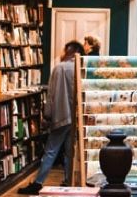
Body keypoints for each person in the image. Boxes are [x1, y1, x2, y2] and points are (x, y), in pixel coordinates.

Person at [18, 41, 85, 195]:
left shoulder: (60, 68)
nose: (61, 53)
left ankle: (38, 183)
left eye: (63, 50)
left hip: (61, 116)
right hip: (76, 118)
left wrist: (47, 116)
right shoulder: (80, 67)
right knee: (70, 152)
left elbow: (52, 95)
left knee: (51, 150)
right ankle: (68, 181)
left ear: (69, 51)